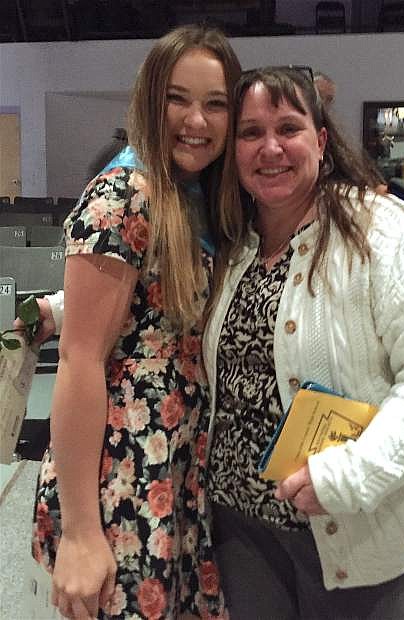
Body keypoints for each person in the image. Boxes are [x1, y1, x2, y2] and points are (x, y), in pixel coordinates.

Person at [202, 66, 404, 620]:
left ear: (322, 139)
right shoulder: (234, 245)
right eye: (251, 132)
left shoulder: (378, 231)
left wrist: (355, 474)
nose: (271, 147)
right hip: (243, 529)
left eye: (288, 127)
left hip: (359, 531)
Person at [31, 24, 241, 620]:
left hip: (176, 470)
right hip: (121, 476)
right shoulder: (123, 194)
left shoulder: (196, 198)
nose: (196, 120)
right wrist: (79, 532)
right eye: (178, 98)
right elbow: (78, 360)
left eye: (215, 103)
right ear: (151, 99)